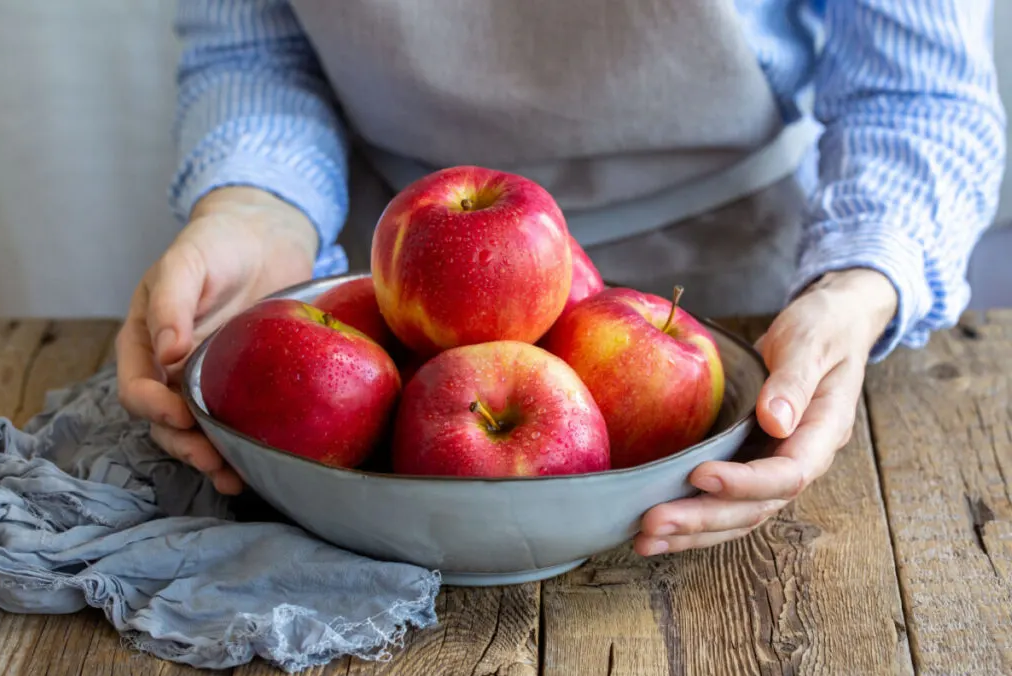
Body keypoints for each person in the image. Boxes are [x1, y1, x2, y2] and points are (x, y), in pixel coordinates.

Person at [116, 0, 1006, 557]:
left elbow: (916, 96)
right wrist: (252, 211)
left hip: (742, 285)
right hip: (393, 300)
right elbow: (258, 54)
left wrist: (852, 290)